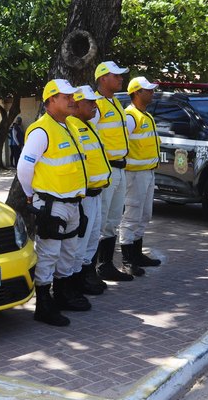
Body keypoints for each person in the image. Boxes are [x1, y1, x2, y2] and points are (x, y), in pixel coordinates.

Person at [17, 79, 88, 327]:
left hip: (71, 203)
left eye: (73, 95)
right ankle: (44, 305)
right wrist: (30, 194)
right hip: (52, 204)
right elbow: (24, 167)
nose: (72, 100)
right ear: (51, 100)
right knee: (49, 254)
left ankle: (63, 295)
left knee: (68, 252)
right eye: (66, 96)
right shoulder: (41, 130)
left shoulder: (69, 126)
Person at [91, 61, 135, 282]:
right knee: (99, 220)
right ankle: (91, 270)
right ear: (102, 79)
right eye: (115, 76)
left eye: (121, 76)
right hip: (106, 171)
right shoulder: (97, 106)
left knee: (113, 219)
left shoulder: (115, 103)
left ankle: (105, 264)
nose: (120, 79)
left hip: (119, 168)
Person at [67, 86, 112, 296]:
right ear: (76, 104)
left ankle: (87, 274)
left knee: (93, 237)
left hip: (96, 193)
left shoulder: (88, 125)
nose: (95, 106)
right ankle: (77, 282)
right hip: (83, 196)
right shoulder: (72, 127)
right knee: (80, 241)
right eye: (89, 102)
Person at [119, 76, 162, 276]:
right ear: (136, 92)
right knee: (131, 216)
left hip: (147, 173)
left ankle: (137, 255)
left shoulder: (146, 116)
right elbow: (121, 146)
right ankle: (127, 260)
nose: (152, 93)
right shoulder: (130, 117)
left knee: (144, 215)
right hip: (134, 175)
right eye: (148, 90)